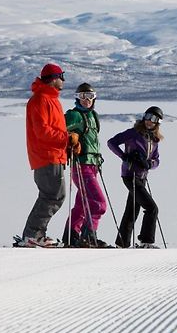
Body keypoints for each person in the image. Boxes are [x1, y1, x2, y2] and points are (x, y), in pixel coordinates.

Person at [19, 63, 80, 247]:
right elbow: (43, 131)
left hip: (54, 155)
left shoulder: (51, 99)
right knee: (52, 195)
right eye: (61, 76)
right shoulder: (40, 100)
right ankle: (33, 235)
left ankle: (34, 235)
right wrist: (67, 138)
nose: (63, 80)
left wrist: (68, 144)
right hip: (46, 156)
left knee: (53, 195)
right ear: (54, 78)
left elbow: (53, 129)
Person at [107, 106, 163, 249]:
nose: (150, 121)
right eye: (148, 116)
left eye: (154, 119)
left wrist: (149, 164)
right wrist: (125, 156)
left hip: (142, 177)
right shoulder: (133, 133)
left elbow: (157, 160)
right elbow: (111, 142)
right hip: (130, 175)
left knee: (132, 210)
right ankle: (146, 241)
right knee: (152, 208)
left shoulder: (154, 140)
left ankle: (122, 243)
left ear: (158, 123)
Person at [62, 83, 110, 248]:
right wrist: (69, 139)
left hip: (93, 165)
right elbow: (59, 129)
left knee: (83, 203)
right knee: (98, 203)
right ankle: (89, 237)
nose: (87, 100)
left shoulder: (93, 115)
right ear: (77, 98)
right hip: (81, 166)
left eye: (90, 96)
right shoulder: (74, 115)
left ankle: (71, 236)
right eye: (83, 96)